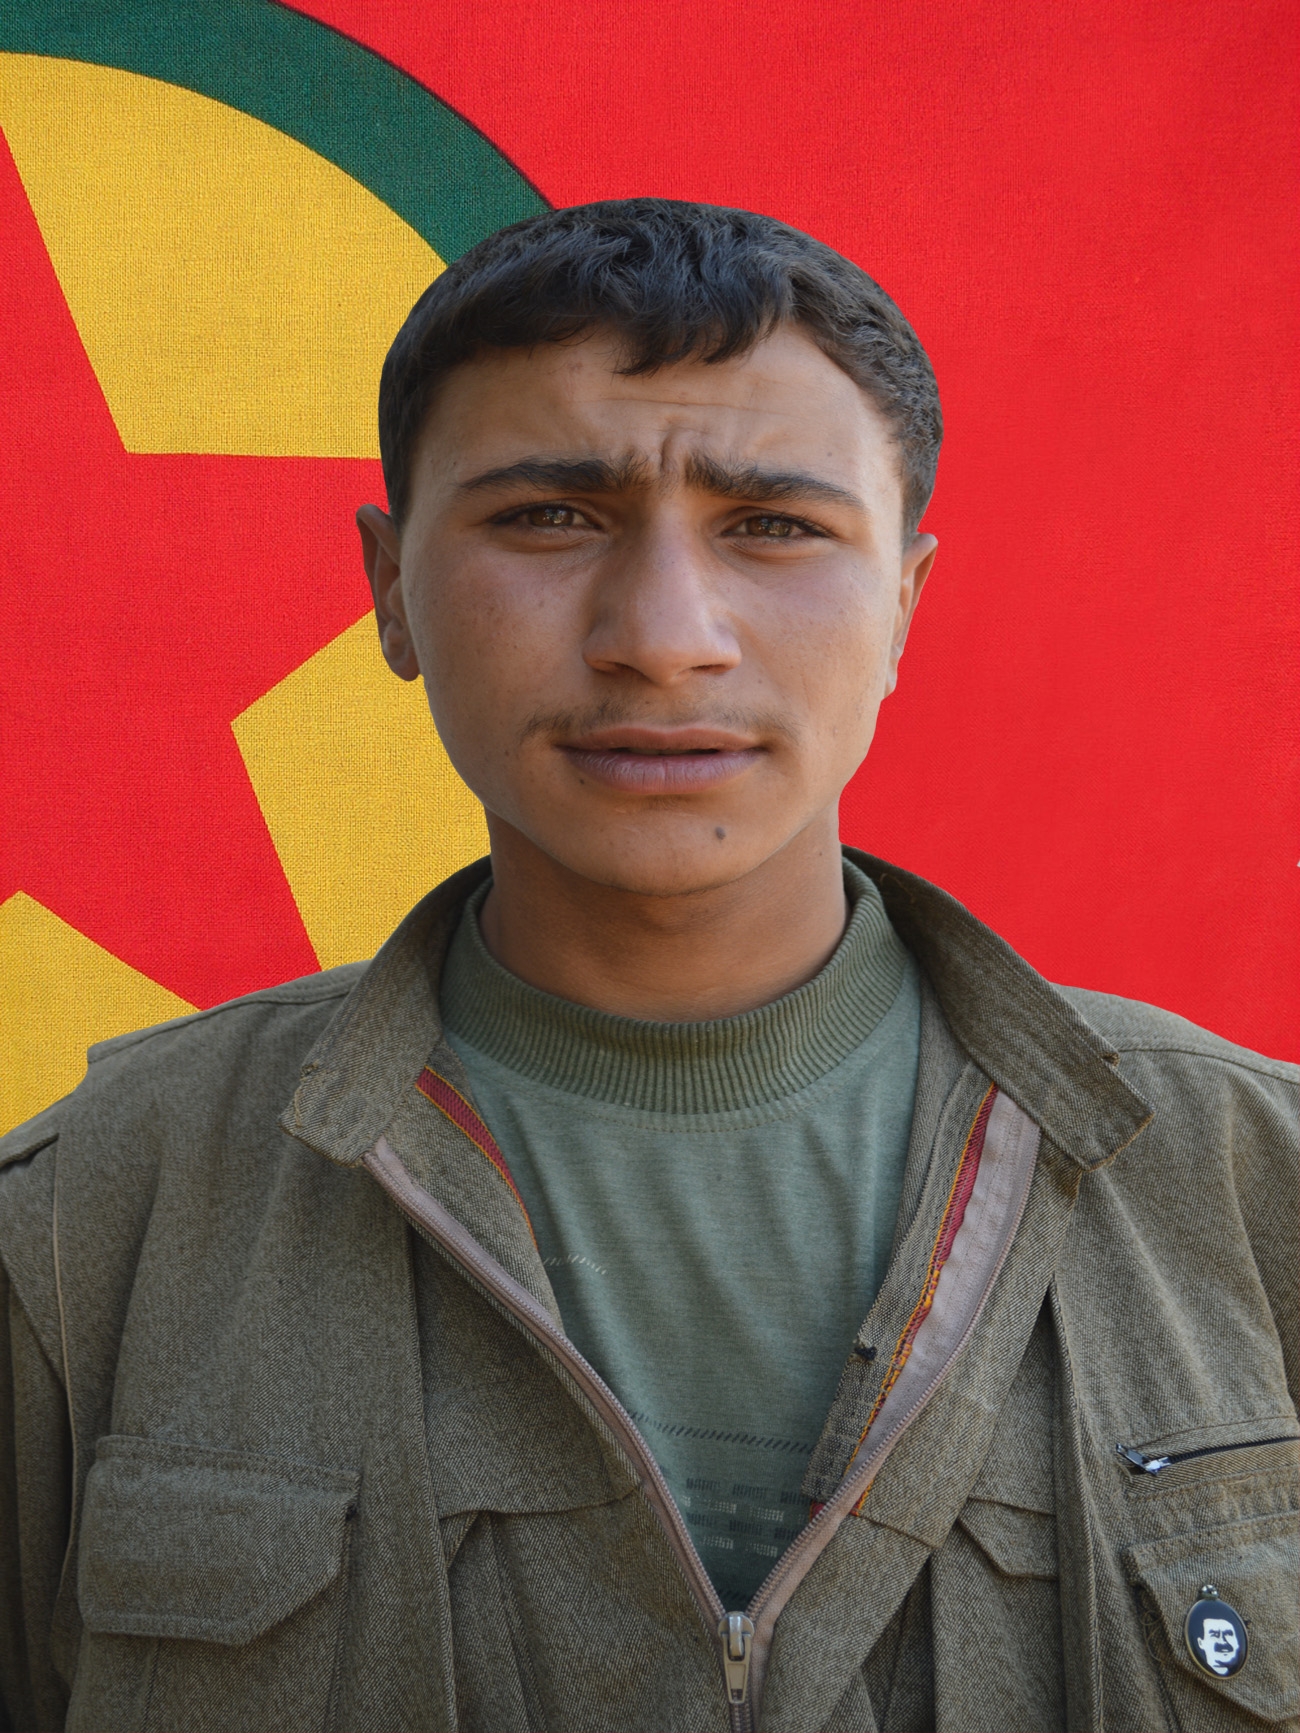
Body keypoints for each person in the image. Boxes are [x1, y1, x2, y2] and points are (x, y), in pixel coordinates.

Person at [0, 199, 1295, 1733]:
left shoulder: (1248, 1184)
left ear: (905, 602)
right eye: (552, 516)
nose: (664, 637)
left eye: (774, 526)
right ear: (391, 588)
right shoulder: (89, 1230)